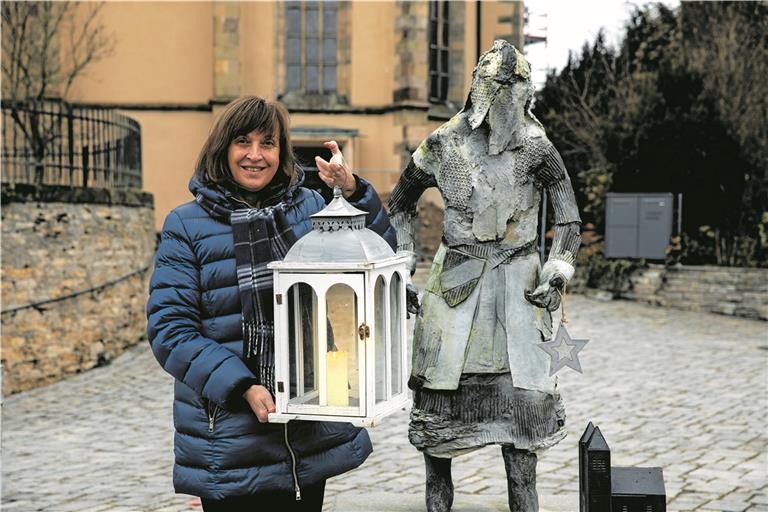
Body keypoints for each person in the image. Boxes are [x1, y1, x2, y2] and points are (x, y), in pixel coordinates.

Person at [147, 95, 395, 511]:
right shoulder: (185, 225)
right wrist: (242, 386)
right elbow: (170, 330)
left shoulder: (311, 208)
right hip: (228, 431)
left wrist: (350, 190)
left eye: (269, 143)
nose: (255, 155)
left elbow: (381, 255)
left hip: (304, 426)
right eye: (243, 142)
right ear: (223, 148)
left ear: (282, 152)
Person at [388, 41, 581, 511]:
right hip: (455, 286)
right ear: (479, 88)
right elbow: (398, 203)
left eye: (515, 86)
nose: (505, 95)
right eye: (497, 85)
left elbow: (569, 220)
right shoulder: (443, 144)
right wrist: (403, 263)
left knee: (522, 444)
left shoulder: (538, 147)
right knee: (439, 438)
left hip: (518, 290)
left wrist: (558, 268)